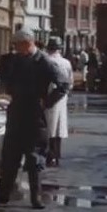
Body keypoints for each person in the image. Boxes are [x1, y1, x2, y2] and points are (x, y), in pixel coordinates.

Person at [0, 28, 70, 209]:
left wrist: (47, 102)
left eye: (17, 45)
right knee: (10, 155)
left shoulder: (43, 61)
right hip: (16, 110)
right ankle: (3, 194)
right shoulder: (15, 60)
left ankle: (35, 197)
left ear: (27, 43)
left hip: (34, 113)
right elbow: (7, 79)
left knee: (34, 157)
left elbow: (63, 84)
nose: (15, 48)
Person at [45, 37, 74, 167]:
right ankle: (57, 155)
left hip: (48, 96)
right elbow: (71, 82)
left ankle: (49, 155)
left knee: (48, 126)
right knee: (59, 127)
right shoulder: (66, 63)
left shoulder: (46, 61)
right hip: (62, 98)